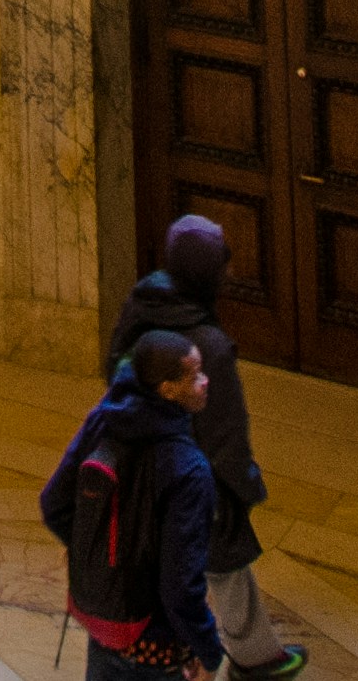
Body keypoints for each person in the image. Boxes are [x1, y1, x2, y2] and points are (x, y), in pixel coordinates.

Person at [108, 220, 302, 681]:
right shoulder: (208, 348)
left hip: (136, 464)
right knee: (224, 559)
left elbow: (113, 372)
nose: (229, 275)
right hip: (191, 476)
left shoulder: (142, 302)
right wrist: (247, 487)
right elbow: (226, 436)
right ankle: (249, 657)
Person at [42, 327, 224, 681]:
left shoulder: (103, 420)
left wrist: (100, 560)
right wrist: (209, 651)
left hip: (107, 632)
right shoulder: (189, 470)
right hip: (155, 649)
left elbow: (54, 503)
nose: (205, 381)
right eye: (195, 375)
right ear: (168, 390)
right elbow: (179, 586)